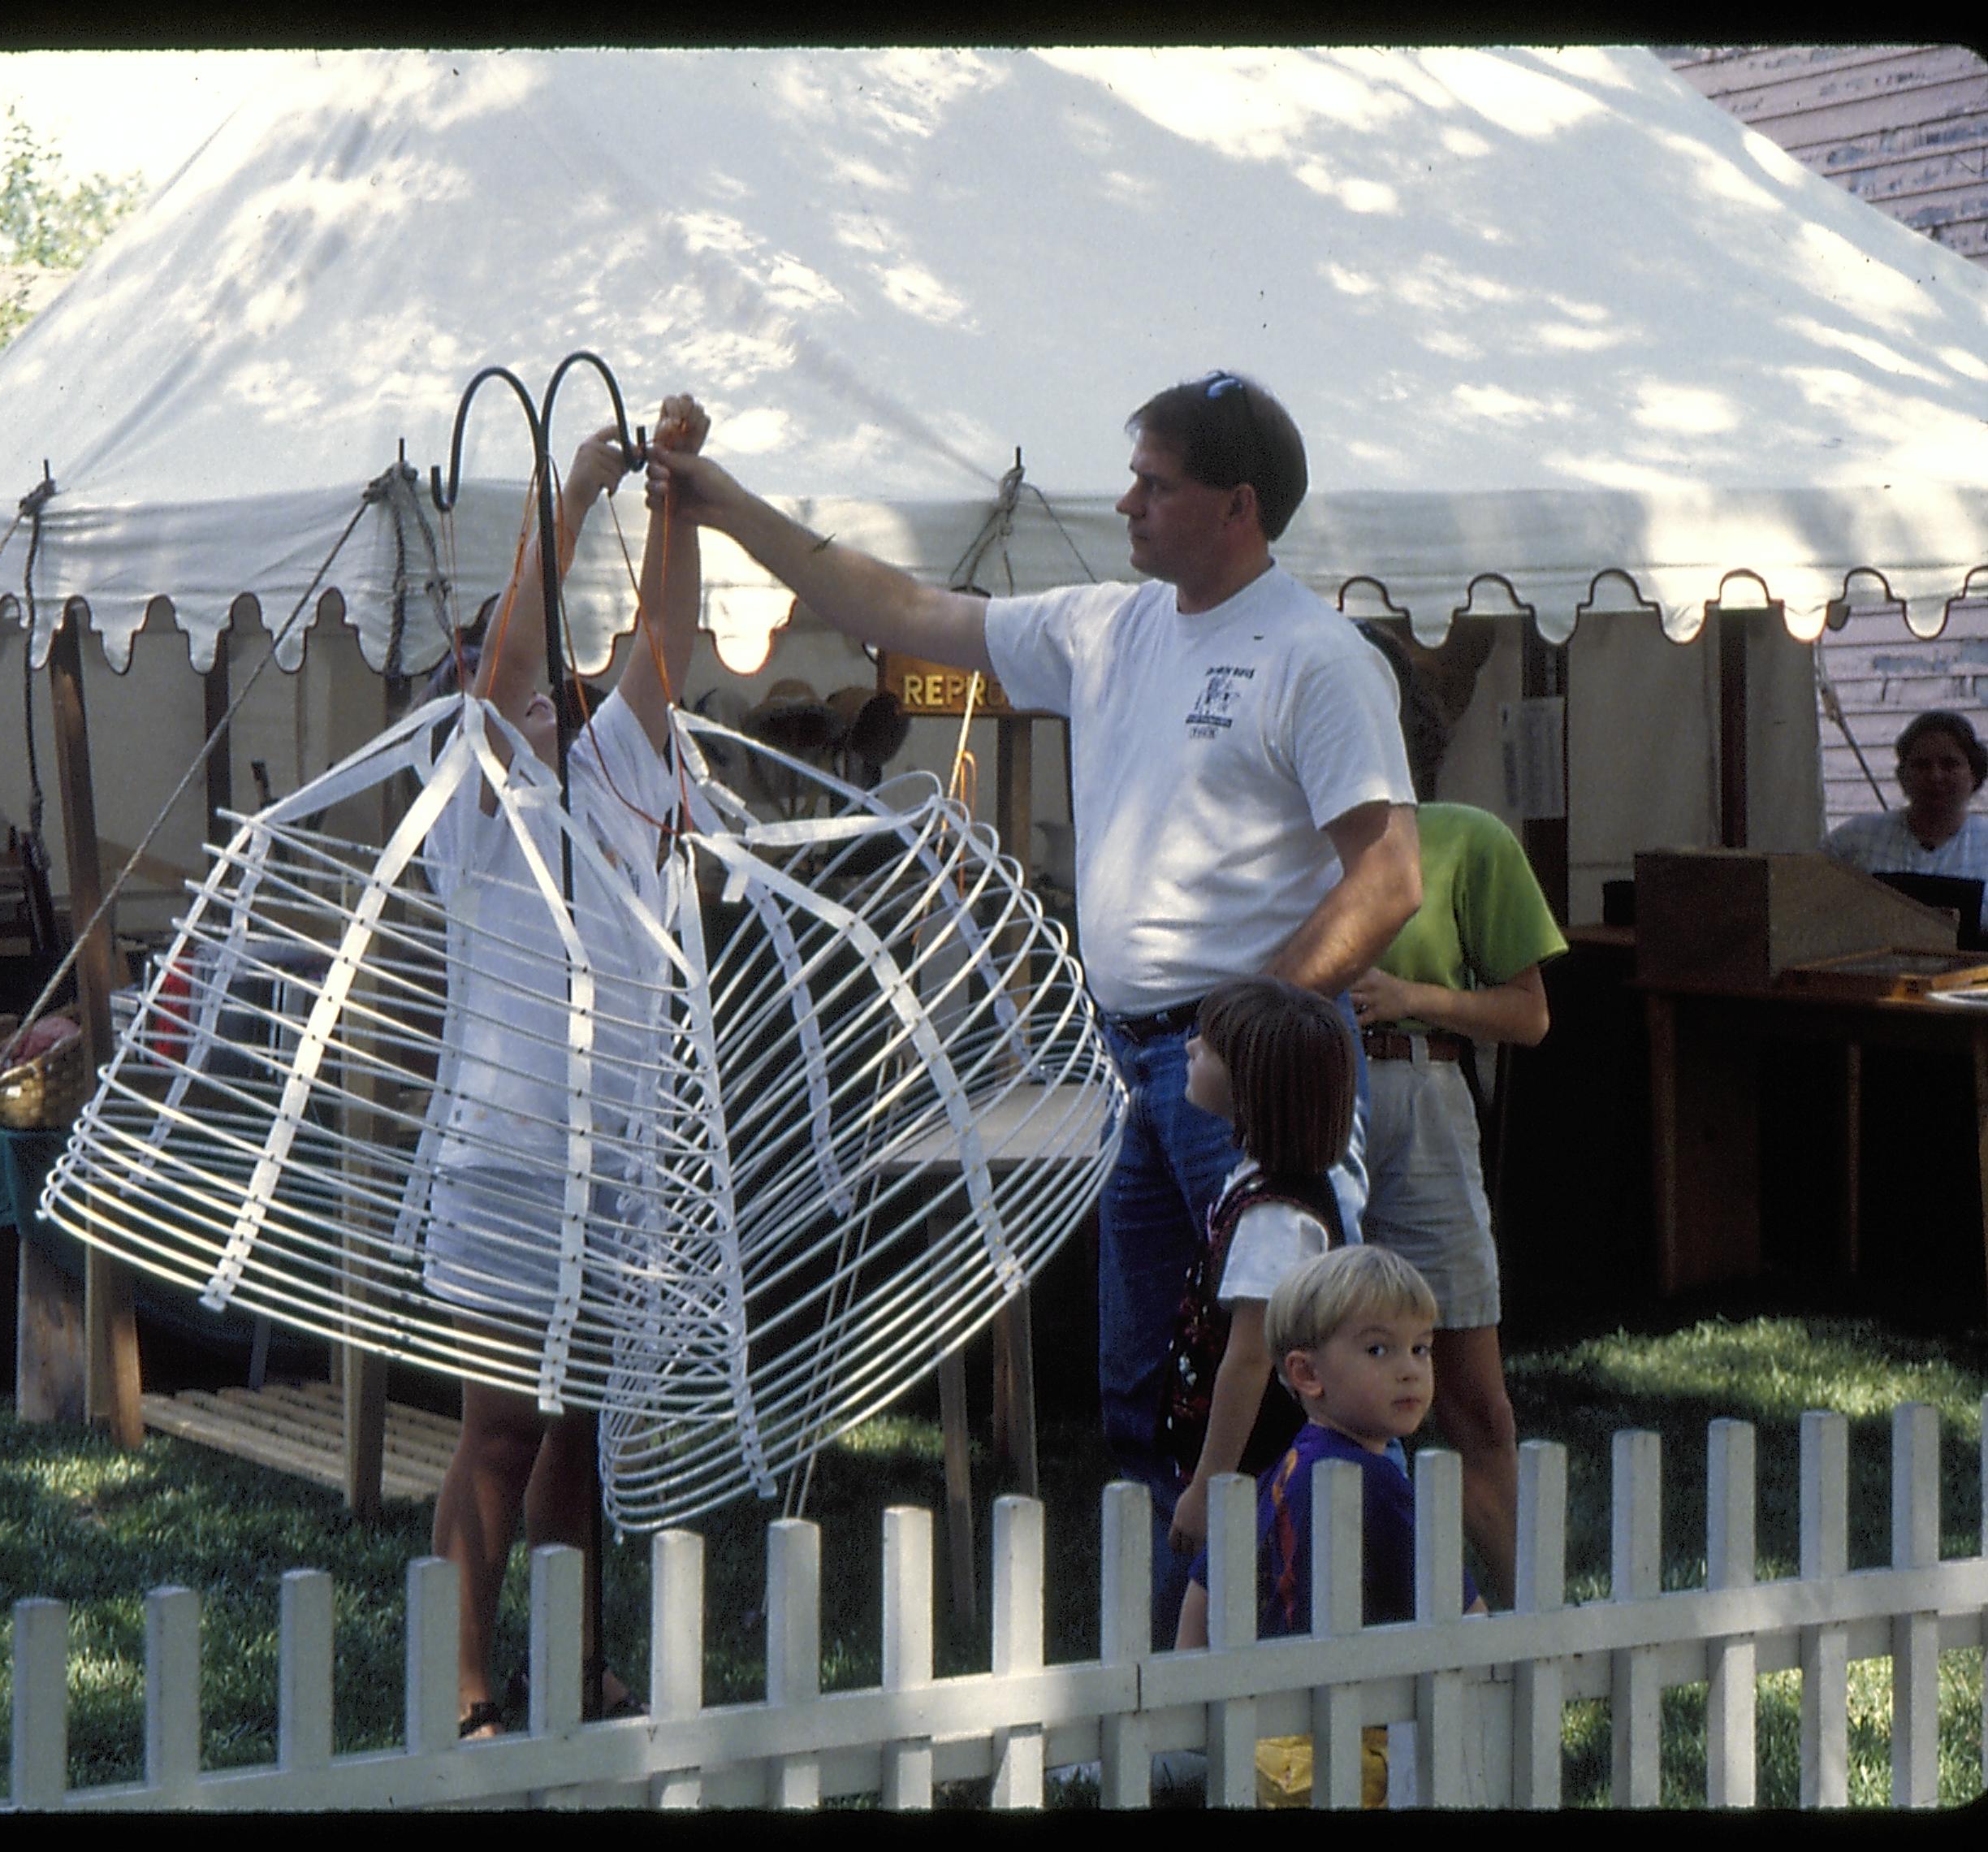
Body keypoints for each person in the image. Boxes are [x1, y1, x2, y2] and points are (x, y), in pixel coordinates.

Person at [650, 370, 1420, 1645]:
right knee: (1148, 1397)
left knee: (1282, 1393)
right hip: (1138, 1069)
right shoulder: (1109, 629)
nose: (1125, 502)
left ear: (1236, 506)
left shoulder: (1317, 658)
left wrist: (1247, 1023)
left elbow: (1388, 875)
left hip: (1253, 1070)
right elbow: (900, 607)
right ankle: (1174, 1695)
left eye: (1152, 482)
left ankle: (1277, 1690)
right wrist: (730, 509)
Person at [419, 396, 709, 1739]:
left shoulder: (618, 782)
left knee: (580, 1439)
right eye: (491, 667)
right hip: (504, 1165)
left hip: (618, 1170)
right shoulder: (469, 811)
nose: (517, 680)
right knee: (503, 1430)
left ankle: (572, 1660)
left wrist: (679, 494)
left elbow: (667, 643)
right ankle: (466, 1680)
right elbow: (513, 652)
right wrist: (569, 498)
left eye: (532, 670)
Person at [1348, 796, 1563, 1607]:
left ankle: (1527, 1620)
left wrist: (1414, 998)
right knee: (1283, 1365)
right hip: (1299, 1080)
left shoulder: (1465, 836)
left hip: (1421, 1092)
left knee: (1473, 1397)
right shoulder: (1260, 825)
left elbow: (1530, 1015)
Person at [1175, 1242, 1484, 1807]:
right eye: (1378, 1349)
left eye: (1421, 1348)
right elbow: (1462, 1613)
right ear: (1306, 1373)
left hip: (1266, 1744)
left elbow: (1203, 1584)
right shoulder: (1376, 1481)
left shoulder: (1282, 1468)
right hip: (1355, 1749)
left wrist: (1192, 1689)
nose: (1409, 1369)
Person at [1160, 978, 1359, 1563]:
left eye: (1210, 1046)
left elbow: (1250, 1360)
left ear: (1255, 1086)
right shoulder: (1255, 1182)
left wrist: (1205, 1488)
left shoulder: (1276, 1219)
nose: (1191, 1047)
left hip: (1261, 1474)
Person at [1820, 709, 1988, 886]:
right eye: (1922, 765)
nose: (1935, 776)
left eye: (1949, 764)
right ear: (1903, 776)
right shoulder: (1853, 841)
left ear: (1974, 773)